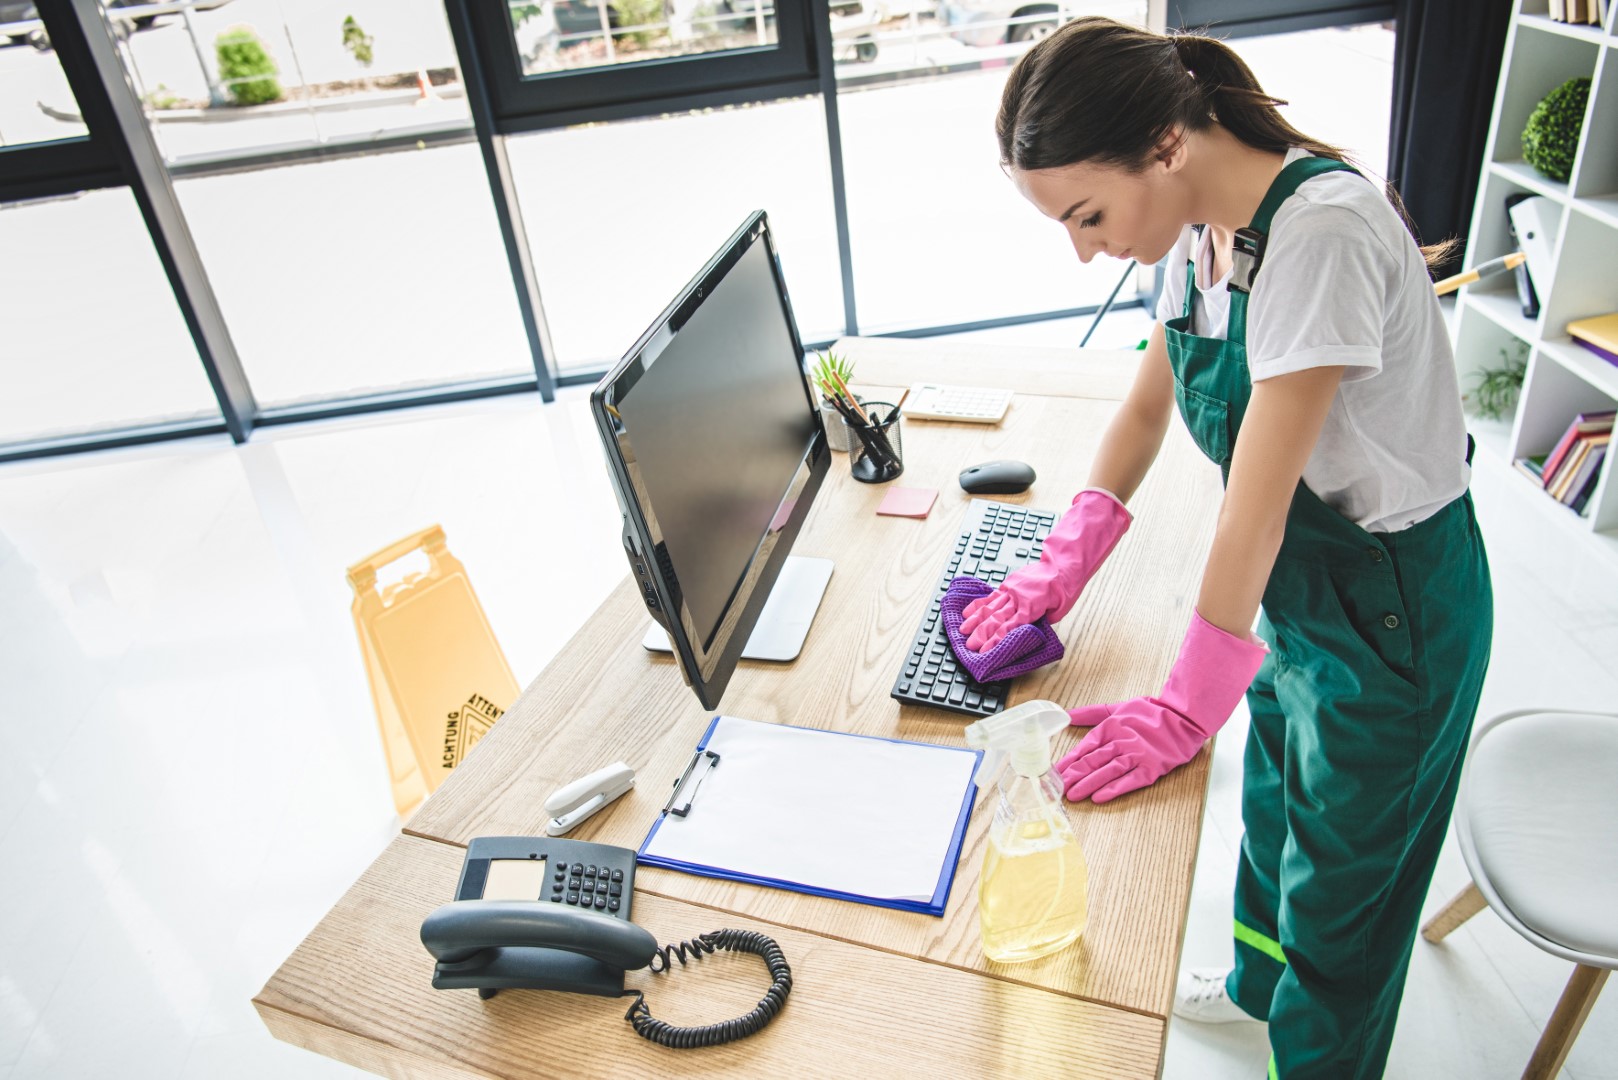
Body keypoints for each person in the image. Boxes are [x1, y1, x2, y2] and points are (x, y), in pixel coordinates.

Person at [959, 16, 1493, 1079]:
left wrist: (1187, 697)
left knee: (1346, 900)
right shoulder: (1197, 230)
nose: (1084, 248)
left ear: (1164, 144)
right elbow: (1147, 411)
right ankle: (1255, 992)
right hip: (1302, 594)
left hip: (1395, 609)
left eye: (1088, 214)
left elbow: (1253, 506)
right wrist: (1058, 559)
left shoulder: (1320, 234)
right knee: (1271, 816)